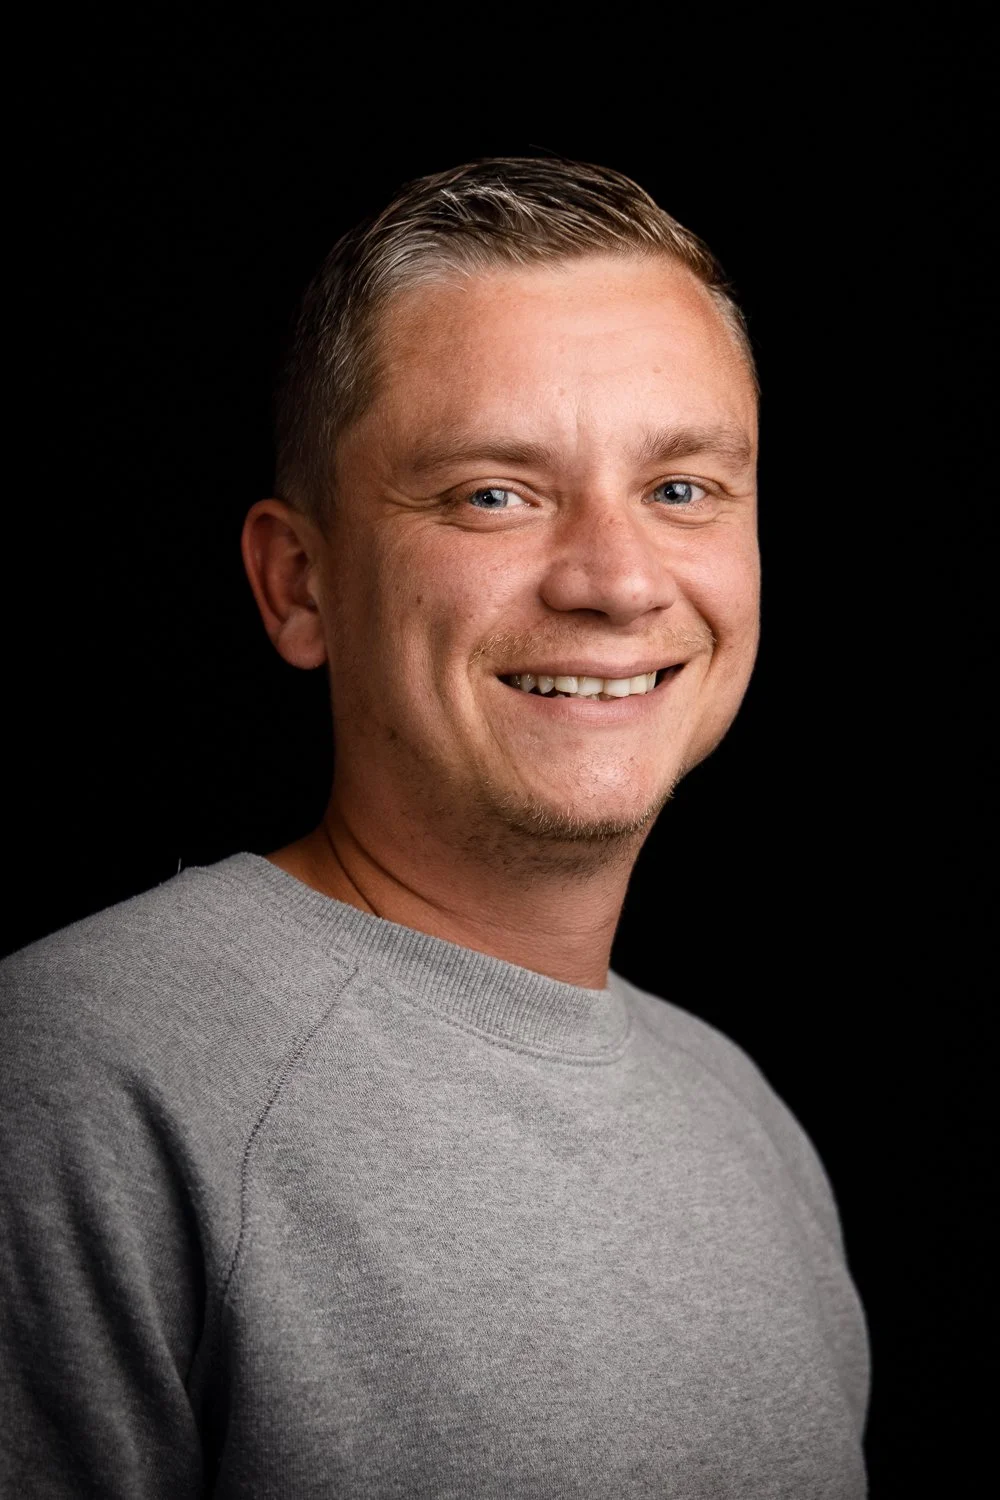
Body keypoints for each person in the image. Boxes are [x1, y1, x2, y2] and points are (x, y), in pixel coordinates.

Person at [0, 158, 869, 1497]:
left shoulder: (750, 1126)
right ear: (300, 583)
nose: (617, 580)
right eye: (493, 494)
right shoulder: (78, 1083)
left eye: (684, 488)